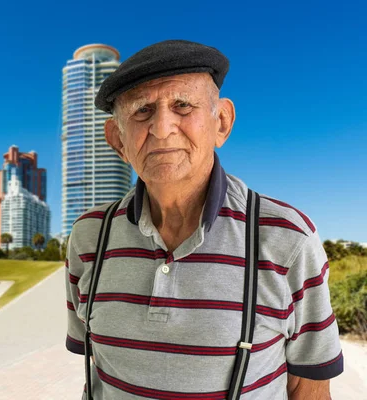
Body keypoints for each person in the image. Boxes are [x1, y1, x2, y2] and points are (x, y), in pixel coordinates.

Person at [65, 40, 343, 399]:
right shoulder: (89, 237)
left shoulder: (287, 239)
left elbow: (309, 387)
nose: (162, 128)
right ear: (118, 139)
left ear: (222, 123)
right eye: (142, 111)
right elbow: (96, 368)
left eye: (183, 105)